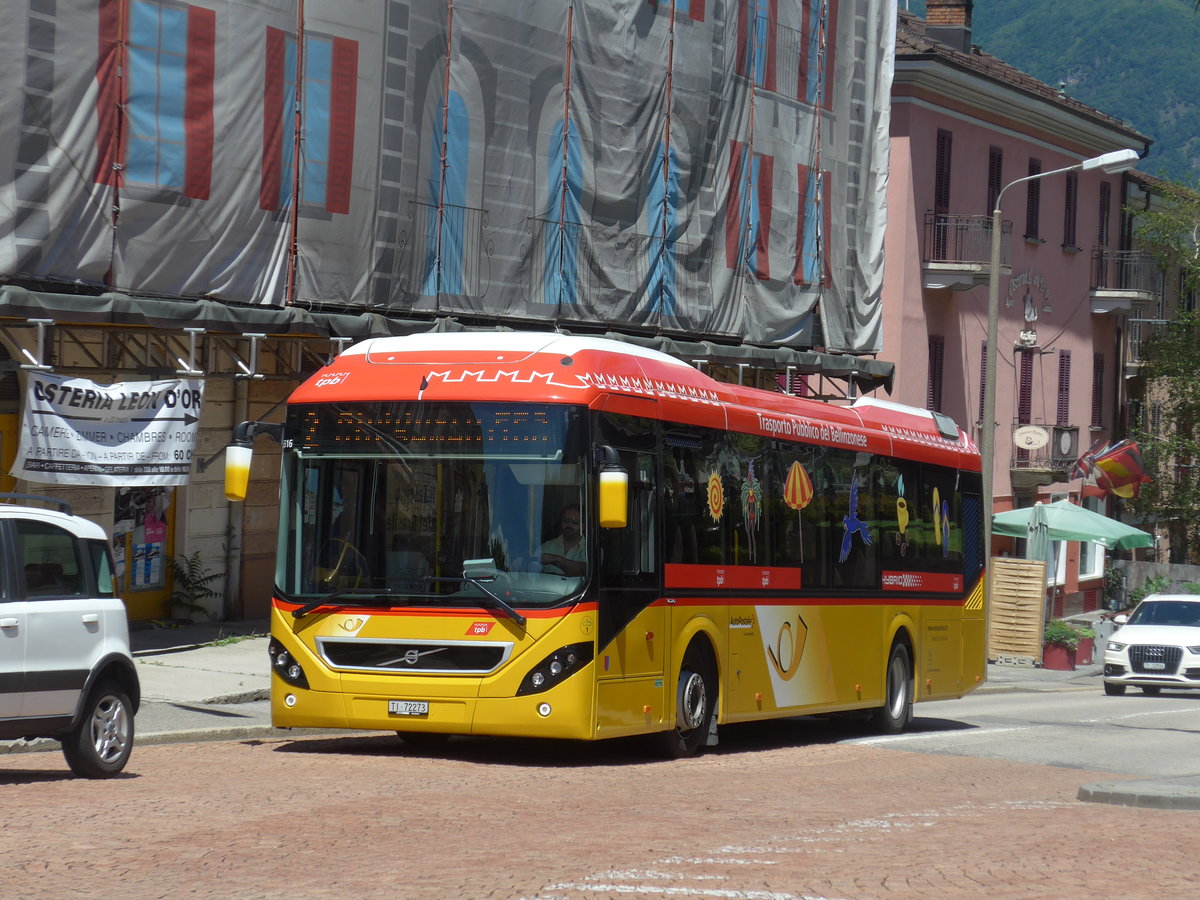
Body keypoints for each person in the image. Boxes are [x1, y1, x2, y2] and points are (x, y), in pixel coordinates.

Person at [538, 504, 586, 576]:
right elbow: (531, 572)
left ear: (583, 526)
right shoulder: (546, 547)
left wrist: (556, 559)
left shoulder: (591, 550)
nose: (569, 525)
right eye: (565, 521)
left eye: (574, 522)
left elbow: (584, 571)